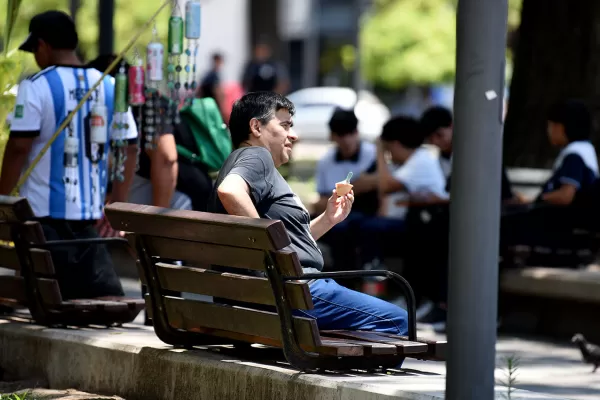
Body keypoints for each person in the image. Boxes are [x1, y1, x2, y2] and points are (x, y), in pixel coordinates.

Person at [208, 91, 408, 335]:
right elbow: (230, 191)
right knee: (400, 321)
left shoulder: (237, 161)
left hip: (270, 294)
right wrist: (273, 253)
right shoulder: (257, 156)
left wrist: (328, 219)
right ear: (256, 127)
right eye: (285, 125)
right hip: (296, 291)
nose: (294, 135)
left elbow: (288, 242)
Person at [0, 11, 137, 300]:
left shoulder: (35, 86)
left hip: (41, 223)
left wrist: (2, 198)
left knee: (43, 297)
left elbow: (18, 148)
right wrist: (118, 202)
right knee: (104, 299)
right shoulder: (108, 85)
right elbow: (129, 146)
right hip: (89, 225)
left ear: (43, 46)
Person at [86, 54, 193, 211]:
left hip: (179, 200)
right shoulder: (121, 109)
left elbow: (166, 158)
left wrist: (156, 220)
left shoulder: (151, 104)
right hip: (147, 195)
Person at [312, 107, 378, 270]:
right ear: (333, 136)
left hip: (367, 212)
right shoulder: (326, 162)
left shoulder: (372, 154)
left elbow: (380, 182)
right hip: (338, 216)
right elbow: (320, 200)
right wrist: (359, 184)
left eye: (351, 133)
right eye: (341, 135)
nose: (347, 140)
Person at [197, 52, 226, 120]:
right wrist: (222, 106)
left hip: (205, 104)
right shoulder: (214, 75)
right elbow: (217, 92)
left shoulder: (207, 75)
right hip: (212, 105)